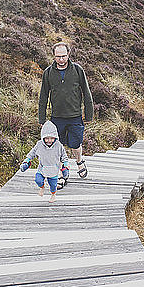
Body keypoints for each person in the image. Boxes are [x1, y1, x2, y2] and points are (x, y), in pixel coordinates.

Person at [38, 41, 93, 189]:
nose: (61, 59)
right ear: (54, 56)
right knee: (58, 146)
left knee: (75, 143)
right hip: (57, 117)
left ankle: (79, 161)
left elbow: (86, 92)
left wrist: (88, 114)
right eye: (58, 56)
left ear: (68, 54)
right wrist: (42, 119)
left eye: (64, 56)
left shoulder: (77, 70)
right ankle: (62, 174)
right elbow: (43, 96)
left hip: (75, 115)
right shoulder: (48, 73)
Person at [20, 121, 69, 203]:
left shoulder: (59, 145)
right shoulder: (39, 145)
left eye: (52, 138)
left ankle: (53, 195)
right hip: (42, 168)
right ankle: (42, 187)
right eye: (47, 138)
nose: (49, 140)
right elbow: (32, 153)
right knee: (38, 180)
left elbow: (64, 156)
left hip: (53, 169)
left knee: (53, 186)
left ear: (55, 137)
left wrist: (66, 165)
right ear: (43, 137)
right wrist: (27, 160)